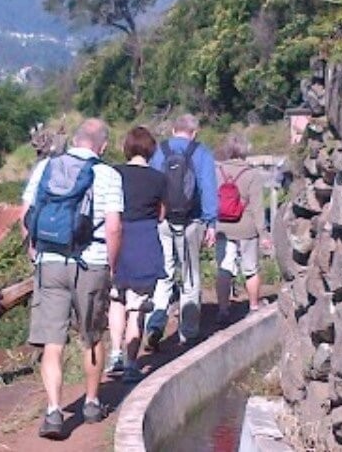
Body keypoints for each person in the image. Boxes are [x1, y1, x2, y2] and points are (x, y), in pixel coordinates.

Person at [19, 119, 123, 439]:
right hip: (91, 265)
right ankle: (91, 403)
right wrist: (112, 266)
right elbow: (114, 227)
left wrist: (33, 251)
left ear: (75, 140)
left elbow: (26, 214)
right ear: (102, 146)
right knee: (91, 336)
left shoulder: (46, 167)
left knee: (53, 341)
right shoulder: (108, 175)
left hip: (50, 262)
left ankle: (53, 412)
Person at [145, 113, 217, 347]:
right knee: (190, 275)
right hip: (191, 222)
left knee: (163, 273)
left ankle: (154, 324)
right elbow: (207, 187)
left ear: (174, 130)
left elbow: (152, 184)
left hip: (162, 221)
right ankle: (188, 332)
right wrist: (211, 222)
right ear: (194, 132)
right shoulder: (201, 152)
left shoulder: (159, 151)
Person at [106, 126, 167, 383]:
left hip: (118, 240)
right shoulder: (158, 178)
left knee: (117, 299)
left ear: (127, 148)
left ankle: (115, 354)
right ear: (151, 149)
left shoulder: (113, 174)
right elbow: (162, 213)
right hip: (144, 241)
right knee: (137, 307)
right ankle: (132, 364)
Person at [212, 133, 268, 319]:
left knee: (224, 269)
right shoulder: (252, 175)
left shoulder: (217, 172)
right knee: (250, 268)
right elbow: (258, 208)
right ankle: (253, 306)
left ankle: (222, 310)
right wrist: (264, 233)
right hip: (247, 227)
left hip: (222, 227)